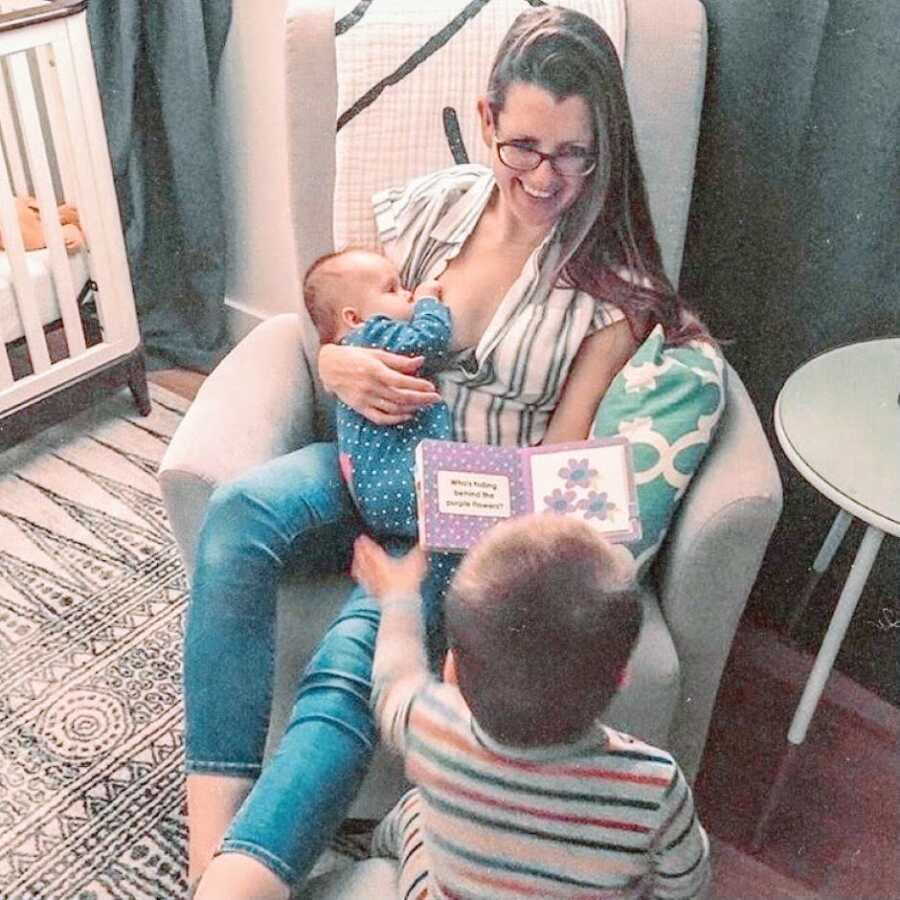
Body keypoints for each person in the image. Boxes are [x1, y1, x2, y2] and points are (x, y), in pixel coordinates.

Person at [188, 6, 711, 898]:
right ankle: (209, 844)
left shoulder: (611, 295)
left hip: (461, 516)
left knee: (356, 652)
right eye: (525, 146)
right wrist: (337, 362)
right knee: (237, 514)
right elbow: (345, 309)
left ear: (605, 148)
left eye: (575, 153)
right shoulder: (431, 208)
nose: (548, 176)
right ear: (485, 122)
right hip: (364, 457)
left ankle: (244, 881)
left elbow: (558, 458)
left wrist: (458, 517)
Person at [351, 516, 712, 899]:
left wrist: (398, 599)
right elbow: (687, 887)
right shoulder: (653, 784)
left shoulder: (434, 728)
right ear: (623, 677)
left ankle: (365, 852)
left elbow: (394, 683)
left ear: (451, 668)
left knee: (415, 811)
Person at [303, 247, 452, 537]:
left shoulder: (352, 345)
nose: (406, 293)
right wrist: (427, 300)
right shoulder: (372, 335)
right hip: (400, 485)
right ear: (355, 318)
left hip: (371, 487)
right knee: (439, 543)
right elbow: (432, 339)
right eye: (392, 289)